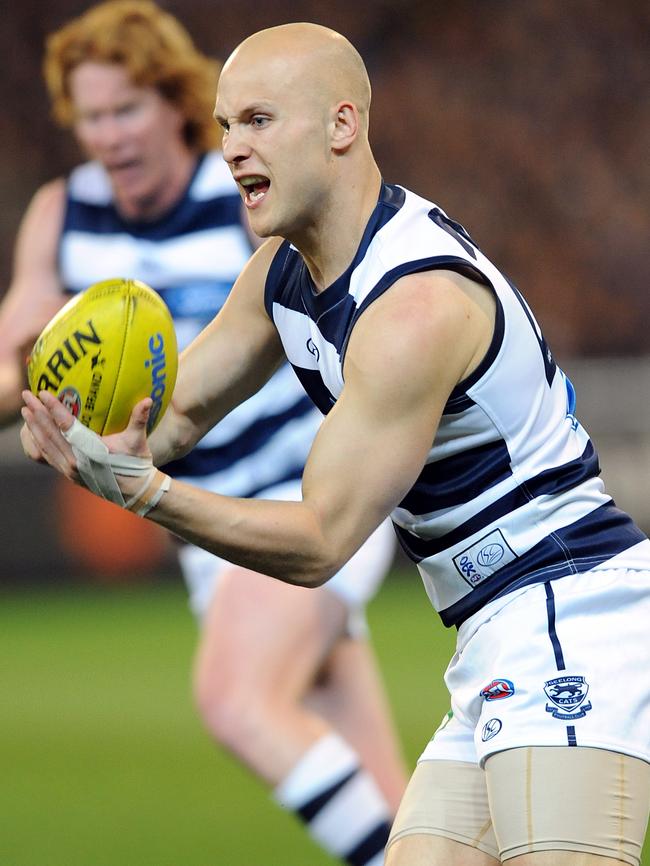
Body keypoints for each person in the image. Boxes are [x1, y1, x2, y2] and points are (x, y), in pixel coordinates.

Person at [20, 18, 650, 866]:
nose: (233, 149)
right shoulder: (283, 268)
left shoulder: (414, 307)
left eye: (258, 121)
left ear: (342, 125)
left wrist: (143, 492)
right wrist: (85, 434)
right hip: (494, 630)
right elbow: (173, 416)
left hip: (572, 613)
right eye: (225, 125)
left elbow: (319, 541)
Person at [3, 5, 408, 865]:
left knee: (237, 699)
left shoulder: (243, 194)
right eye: (90, 117)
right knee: (387, 789)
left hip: (300, 486)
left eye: (127, 110)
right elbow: (13, 365)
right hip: (197, 522)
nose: (108, 136)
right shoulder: (61, 215)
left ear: (173, 106)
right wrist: (32, 382)